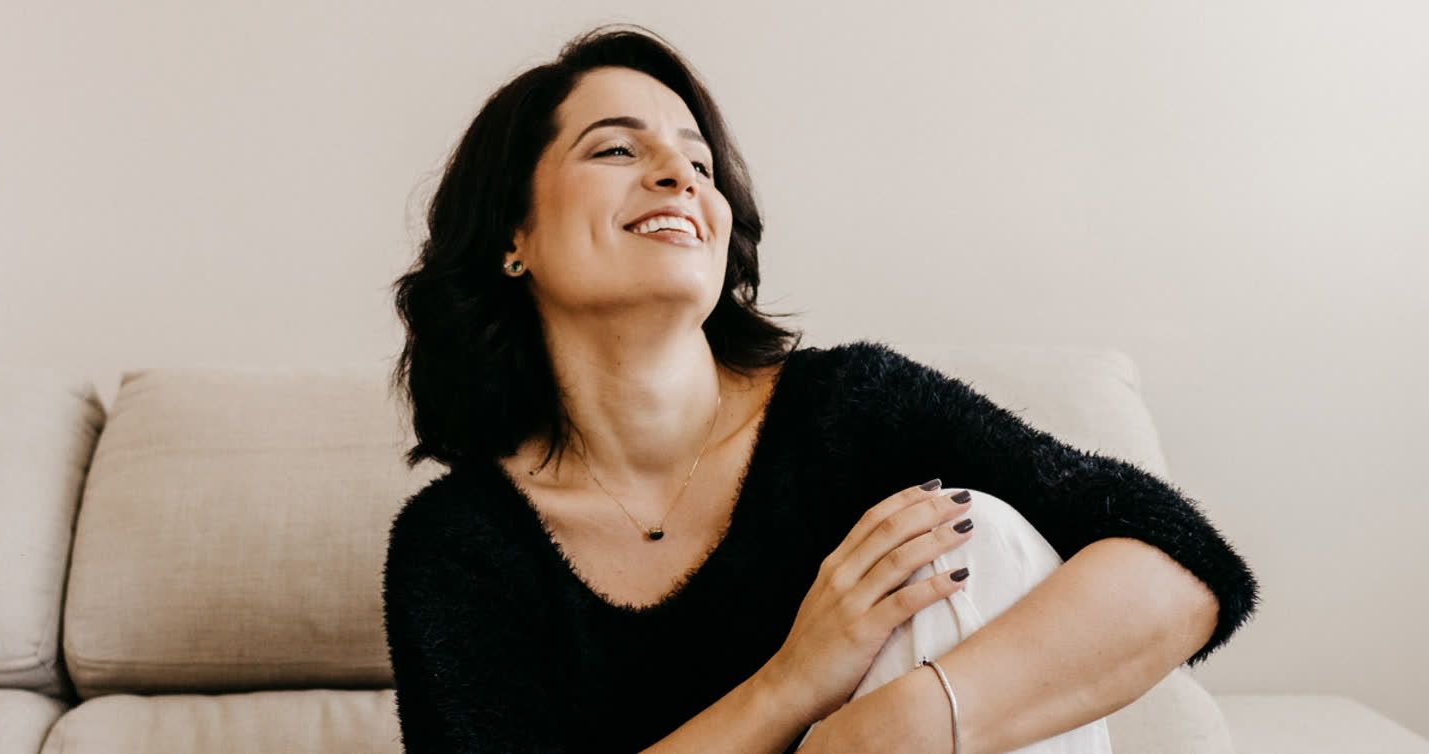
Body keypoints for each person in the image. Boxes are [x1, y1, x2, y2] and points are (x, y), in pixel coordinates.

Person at [382, 23, 1259, 754]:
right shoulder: (458, 546)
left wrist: (902, 723)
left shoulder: (853, 409)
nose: (679, 176)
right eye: (616, 147)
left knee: (972, 536)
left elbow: (1187, 564)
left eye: (699, 162)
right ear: (512, 236)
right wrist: (794, 688)